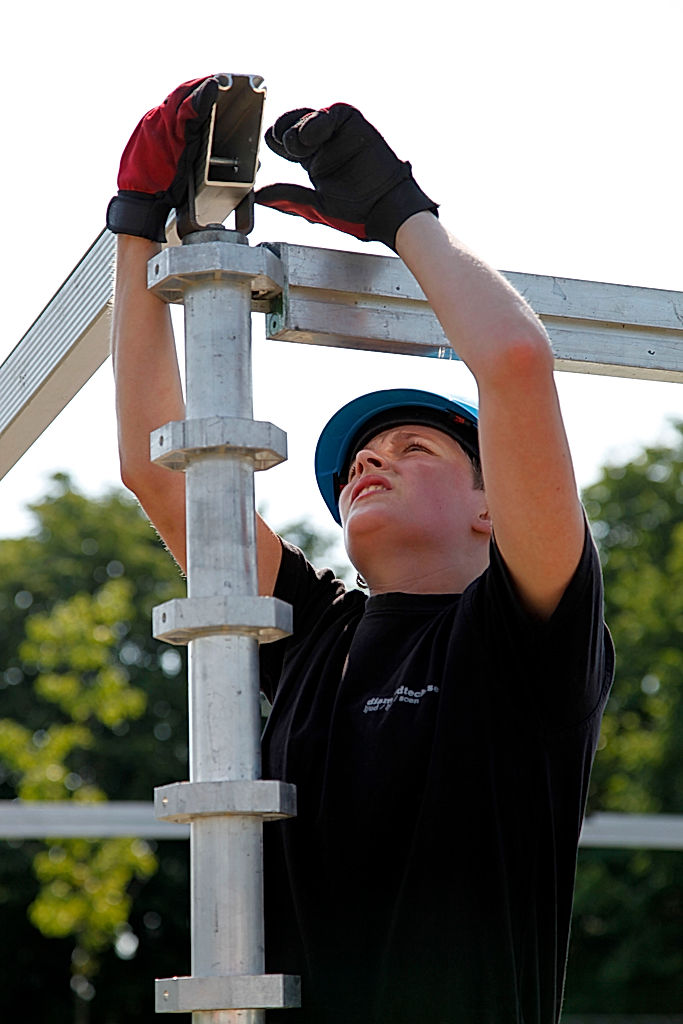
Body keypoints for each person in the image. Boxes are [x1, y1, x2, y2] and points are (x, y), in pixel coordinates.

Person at [109, 77, 614, 1024]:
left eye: (415, 448)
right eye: (359, 460)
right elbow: (159, 471)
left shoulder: (526, 635)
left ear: (491, 510)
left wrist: (399, 214)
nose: (372, 464)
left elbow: (513, 363)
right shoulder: (312, 638)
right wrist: (137, 233)